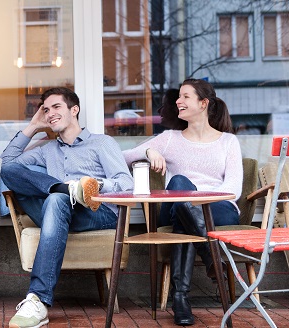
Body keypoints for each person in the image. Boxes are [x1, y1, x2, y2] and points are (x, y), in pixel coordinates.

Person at [1, 87, 134, 328]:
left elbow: (126, 183)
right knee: (44, 191)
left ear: (74, 110)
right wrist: (32, 127)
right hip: (59, 210)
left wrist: (93, 186)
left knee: (54, 199)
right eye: (46, 109)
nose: (50, 113)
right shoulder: (47, 150)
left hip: (97, 213)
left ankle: (38, 300)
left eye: (56, 107)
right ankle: (65, 189)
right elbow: (8, 164)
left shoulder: (101, 143)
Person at [123, 78, 242, 326]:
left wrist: (196, 203)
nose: (178, 101)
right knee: (178, 182)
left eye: (185, 96)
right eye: (179, 96)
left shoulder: (228, 141)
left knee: (184, 214)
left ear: (203, 103)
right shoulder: (169, 139)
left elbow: (233, 189)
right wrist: (149, 152)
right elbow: (122, 157)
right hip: (176, 205)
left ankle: (180, 300)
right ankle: (212, 256)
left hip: (218, 208)